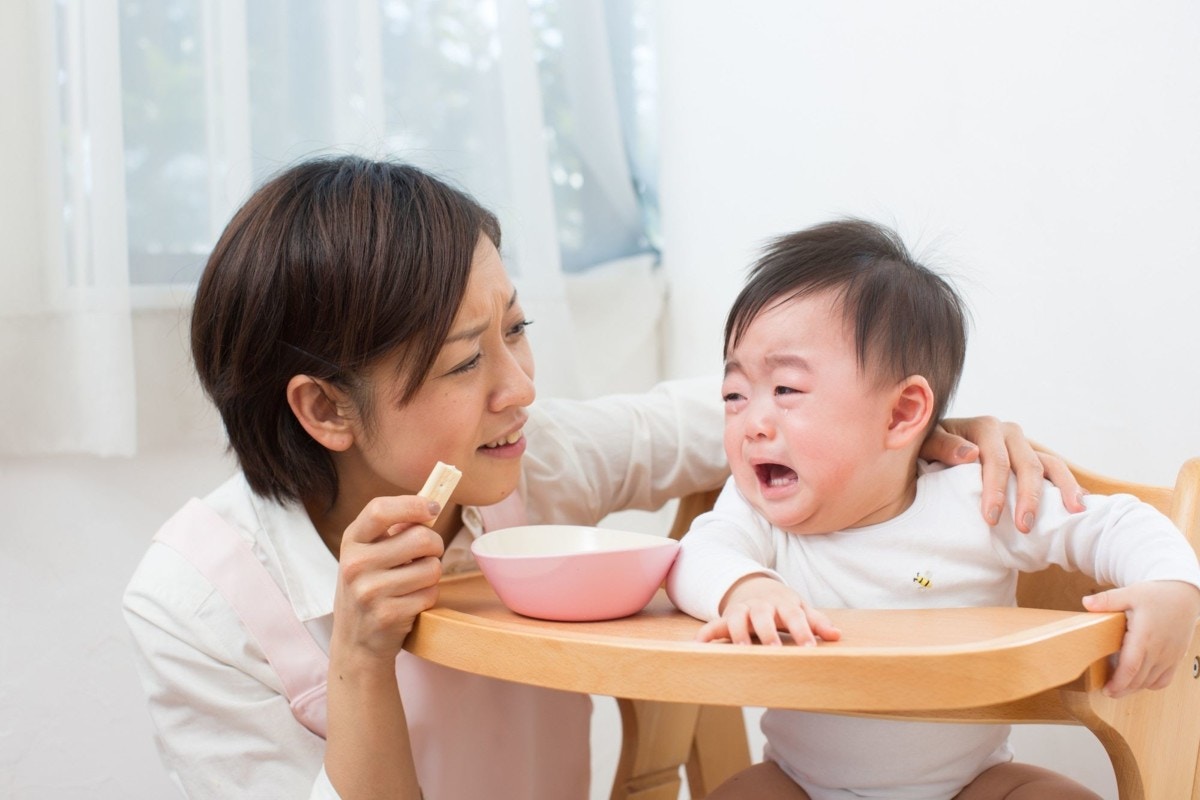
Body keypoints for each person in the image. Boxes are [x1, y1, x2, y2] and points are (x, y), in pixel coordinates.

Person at [122, 157, 1086, 800]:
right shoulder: (197, 601)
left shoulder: (525, 468)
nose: (521, 388)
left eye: (518, 328)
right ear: (326, 411)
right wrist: (362, 661)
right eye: (467, 363)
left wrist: (915, 432)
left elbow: (724, 420)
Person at [666, 218, 1200, 800]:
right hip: (800, 784)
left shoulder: (978, 499)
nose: (752, 423)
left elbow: (1113, 522)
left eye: (787, 390)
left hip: (971, 785)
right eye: (734, 396)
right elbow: (695, 554)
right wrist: (744, 589)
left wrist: (1171, 586)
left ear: (901, 414)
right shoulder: (755, 515)